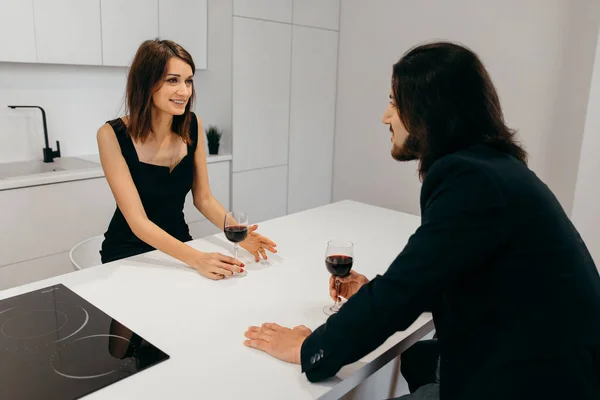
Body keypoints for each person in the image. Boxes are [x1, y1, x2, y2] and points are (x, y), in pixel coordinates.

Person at [242, 41, 600, 399]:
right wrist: (373, 293)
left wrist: (309, 349)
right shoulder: (494, 167)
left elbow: (401, 292)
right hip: (545, 356)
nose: (386, 116)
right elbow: (448, 273)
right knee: (415, 356)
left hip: (536, 380)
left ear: (430, 111)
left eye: (395, 103)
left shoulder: (469, 179)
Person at [97, 39, 277, 279]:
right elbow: (138, 221)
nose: (184, 91)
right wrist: (197, 259)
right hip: (128, 253)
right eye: (173, 80)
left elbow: (203, 198)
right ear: (147, 83)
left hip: (179, 246)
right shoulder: (112, 135)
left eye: (189, 81)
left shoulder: (192, 125)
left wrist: (239, 234)